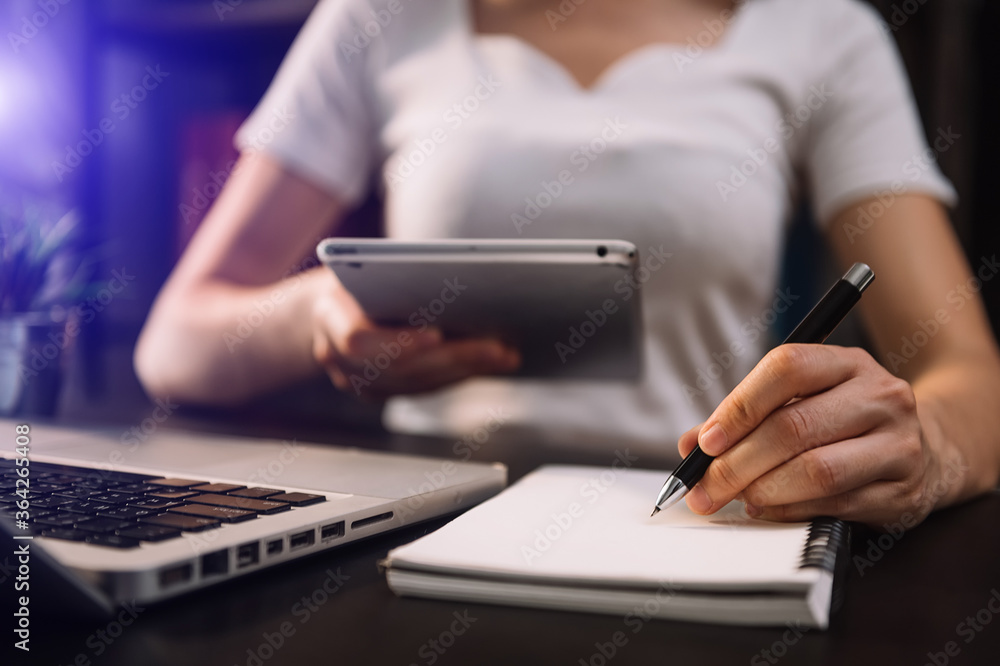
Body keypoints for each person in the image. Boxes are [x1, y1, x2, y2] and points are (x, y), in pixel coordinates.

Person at [135, 0, 1000, 528]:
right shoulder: (381, 16)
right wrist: (318, 315)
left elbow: (970, 378)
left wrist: (929, 452)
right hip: (414, 527)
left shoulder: (820, 32)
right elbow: (174, 344)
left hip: (697, 517)